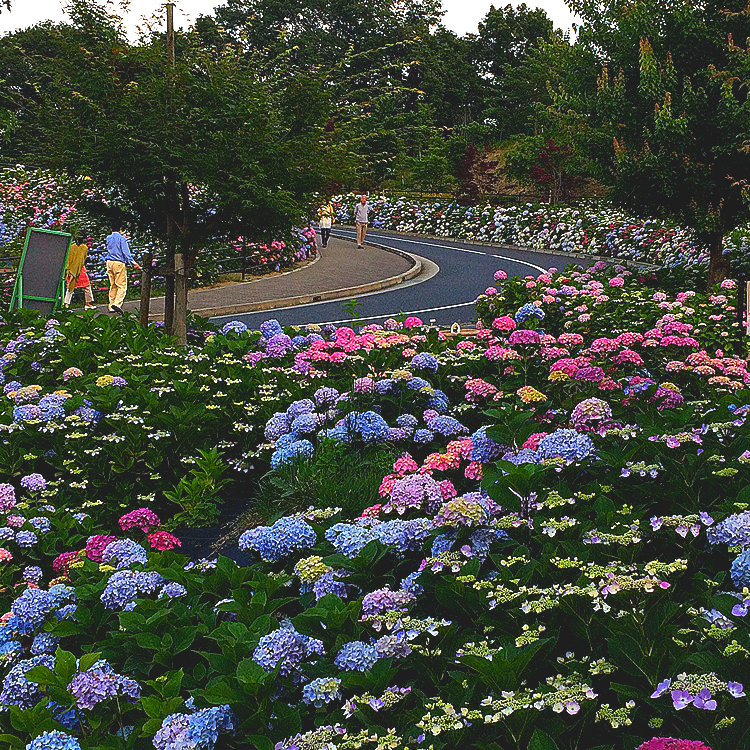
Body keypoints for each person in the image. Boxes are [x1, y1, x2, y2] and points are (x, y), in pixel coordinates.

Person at [105, 225, 140, 314]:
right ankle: (117, 304)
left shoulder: (108, 238)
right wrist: (133, 263)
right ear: (120, 229)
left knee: (112, 285)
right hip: (118, 262)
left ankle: (111, 305)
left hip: (109, 262)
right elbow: (126, 252)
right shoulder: (122, 239)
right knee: (121, 285)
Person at [64, 236, 95, 310]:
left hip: (72, 269)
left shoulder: (71, 247)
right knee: (87, 286)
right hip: (81, 269)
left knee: (70, 287)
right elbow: (84, 258)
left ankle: (66, 304)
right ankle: (88, 303)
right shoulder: (84, 248)